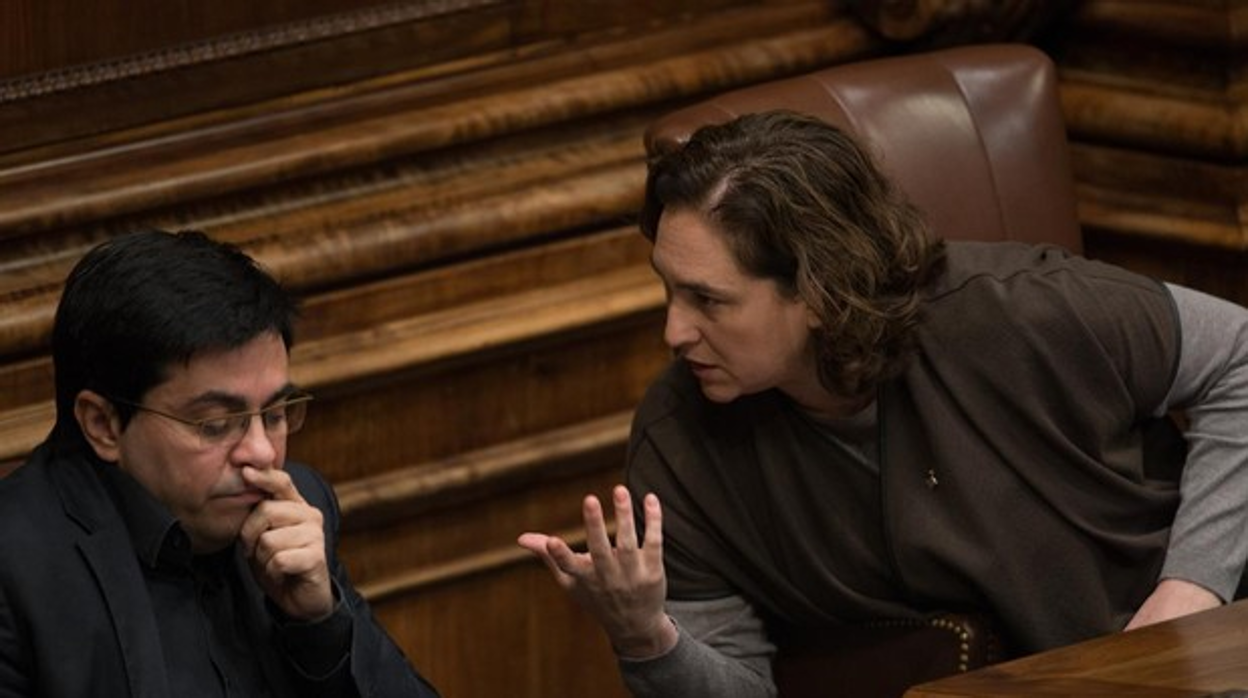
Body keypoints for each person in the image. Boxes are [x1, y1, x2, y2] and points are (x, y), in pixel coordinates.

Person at [518, 110, 1248, 697]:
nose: (673, 331)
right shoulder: (681, 444)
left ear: (818, 291)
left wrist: (1187, 598)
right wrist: (650, 640)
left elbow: (1241, 355)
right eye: (668, 288)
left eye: (708, 299)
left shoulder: (1022, 311)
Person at [0, 230, 440, 697]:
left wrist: (320, 625)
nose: (263, 453)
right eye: (215, 424)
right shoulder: (16, 569)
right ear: (103, 424)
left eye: (274, 414)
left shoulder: (295, 513)